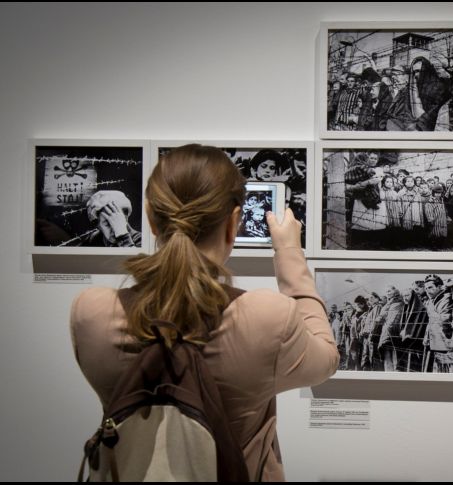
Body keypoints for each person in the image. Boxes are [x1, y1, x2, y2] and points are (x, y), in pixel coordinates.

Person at [70, 144, 339, 481]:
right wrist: (288, 252)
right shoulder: (266, 316)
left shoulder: (92, 312)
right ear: (234, 223)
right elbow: (326, 360)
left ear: (151, 219)